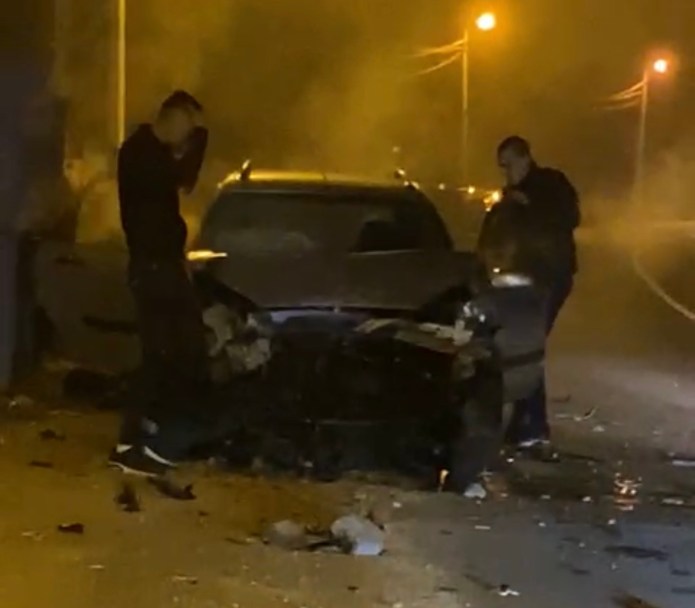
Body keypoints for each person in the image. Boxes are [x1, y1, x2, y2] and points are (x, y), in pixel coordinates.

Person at [109, 91, 211, 476]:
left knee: (174, 352)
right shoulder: (141, 153)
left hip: (162, 264)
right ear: (173, 118)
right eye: (188, 126)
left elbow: (182, 183)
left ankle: (148, 431)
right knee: (162, 353)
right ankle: (131, 443)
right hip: (153, 267)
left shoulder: (150, 153)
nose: (188, 135)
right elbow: (181, 180)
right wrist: (200, 142)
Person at [479, 135, 580, 450]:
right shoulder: (511, 197)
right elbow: (493, 233)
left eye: (508, 165)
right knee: (520, 348)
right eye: (501, 167)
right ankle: (526, 423)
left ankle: (532, 425)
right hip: (521, 281)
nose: (505, 173)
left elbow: (569, 218)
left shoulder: (551, 184)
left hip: (549, 278)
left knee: (527, 347)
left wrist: (531, 206)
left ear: (524, 159)